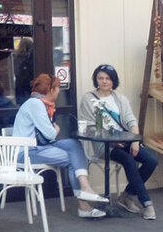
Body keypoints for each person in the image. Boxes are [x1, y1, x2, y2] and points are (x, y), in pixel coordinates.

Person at [12, 73, 109, 218]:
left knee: (73, 144)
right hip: (26, 152)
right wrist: (56, 129)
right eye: (57, 88)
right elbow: (50, 134)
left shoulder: (41, 104)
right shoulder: (36, 104)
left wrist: (53, 129)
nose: (59, 91)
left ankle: (85, 188)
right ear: (51, 90)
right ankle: (84, 204)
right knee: (73, 159)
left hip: (41, 147)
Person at [78, 64, 158, 220]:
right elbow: (90, 127)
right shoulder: (88, 99)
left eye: (108, 78)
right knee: (128, 159)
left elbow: (131, 121)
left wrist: (135, 141)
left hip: (125, 141)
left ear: (113, 81)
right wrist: (113, 142)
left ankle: (127, 195)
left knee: (151, 161)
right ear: (96, 80)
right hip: (104, 145)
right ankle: (147, 204)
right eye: (100, 78)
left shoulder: (120, 99)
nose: (104, 81)